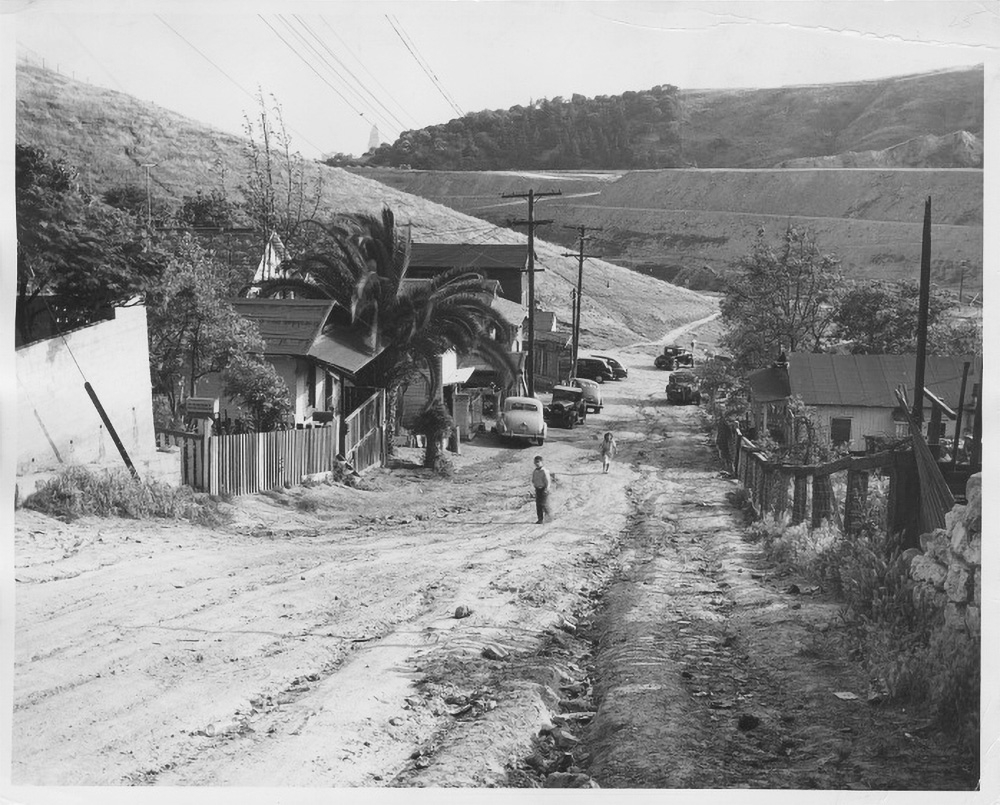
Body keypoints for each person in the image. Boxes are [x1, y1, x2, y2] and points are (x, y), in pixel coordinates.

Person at [531, 455, 552, 524]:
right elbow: (533, 480)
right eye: (535, 462)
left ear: (541, 462)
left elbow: (548, 481)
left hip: (543, 489)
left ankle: (549, 518)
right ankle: (540, 519)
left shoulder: (544, 471)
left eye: (538, 462)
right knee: (538, 505)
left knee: (544, 504)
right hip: (538, 489)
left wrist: (547, 489)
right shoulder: (535, 471)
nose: (536, 463)